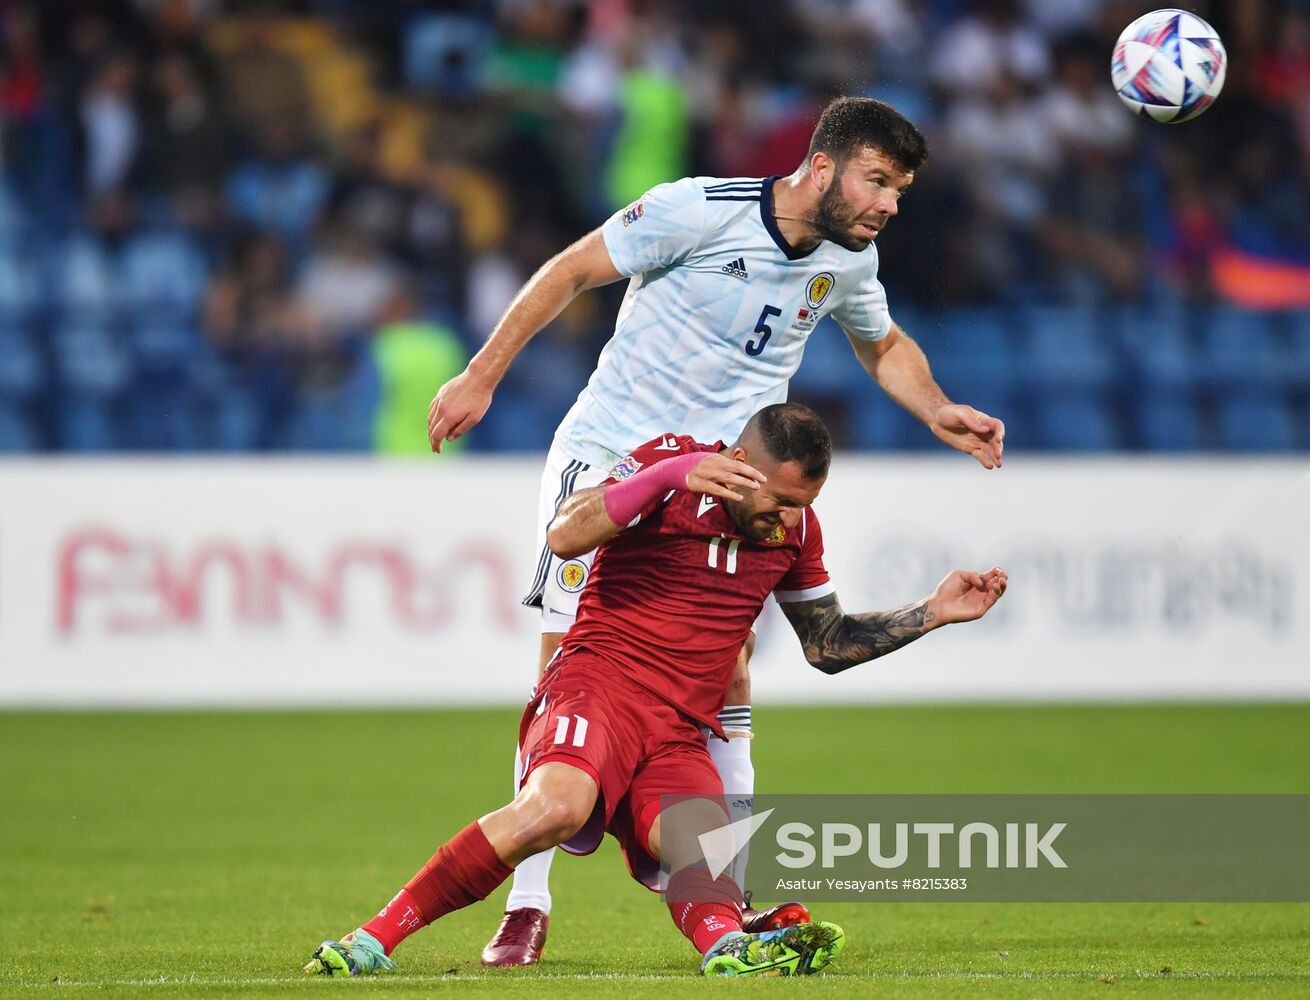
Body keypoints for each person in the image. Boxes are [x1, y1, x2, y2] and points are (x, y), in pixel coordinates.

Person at [426, 96, 1006, 966]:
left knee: (727, 670)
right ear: (822, 165)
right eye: (878, 181)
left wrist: (937, 408)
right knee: (564, 666)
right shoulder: (697, 209)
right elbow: (573, 270)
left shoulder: (849, 259)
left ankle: (729, 892)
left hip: (730, 484)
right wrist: (481, 374)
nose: (889, 204)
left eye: (900, 190)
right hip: (614, 464)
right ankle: (527, 900)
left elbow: (882, 343)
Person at [306, 404, 1007, 979]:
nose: (789, 519)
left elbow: (827, 644)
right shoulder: (669, 469)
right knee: (556, 807)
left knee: (705, 851)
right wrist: (668, 474)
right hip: (597, 687)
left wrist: (931, 613)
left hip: (677, 731)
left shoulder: (796, 533)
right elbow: (565, 534)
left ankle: (727, 949)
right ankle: (371, 939)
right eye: (781, 500)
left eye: (804, 505)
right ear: (740, 465)